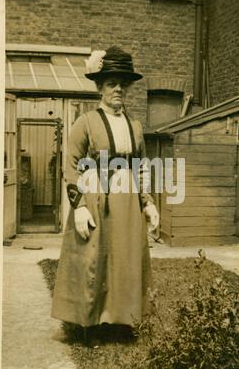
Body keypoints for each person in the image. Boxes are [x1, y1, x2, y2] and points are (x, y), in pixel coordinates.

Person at [51, 46, 159, 344]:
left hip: (127, 204)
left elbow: (140, 168)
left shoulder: (135, 127)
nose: (118, 88)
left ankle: (122, 323)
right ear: (100, 86)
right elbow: (70, 166)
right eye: (112, 82)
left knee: (125, 260)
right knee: (93, 260)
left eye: (124, 83)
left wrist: (147, 203)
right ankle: (90, 326)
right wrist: (80, 206)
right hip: (95, 202)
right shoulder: (85, 123)